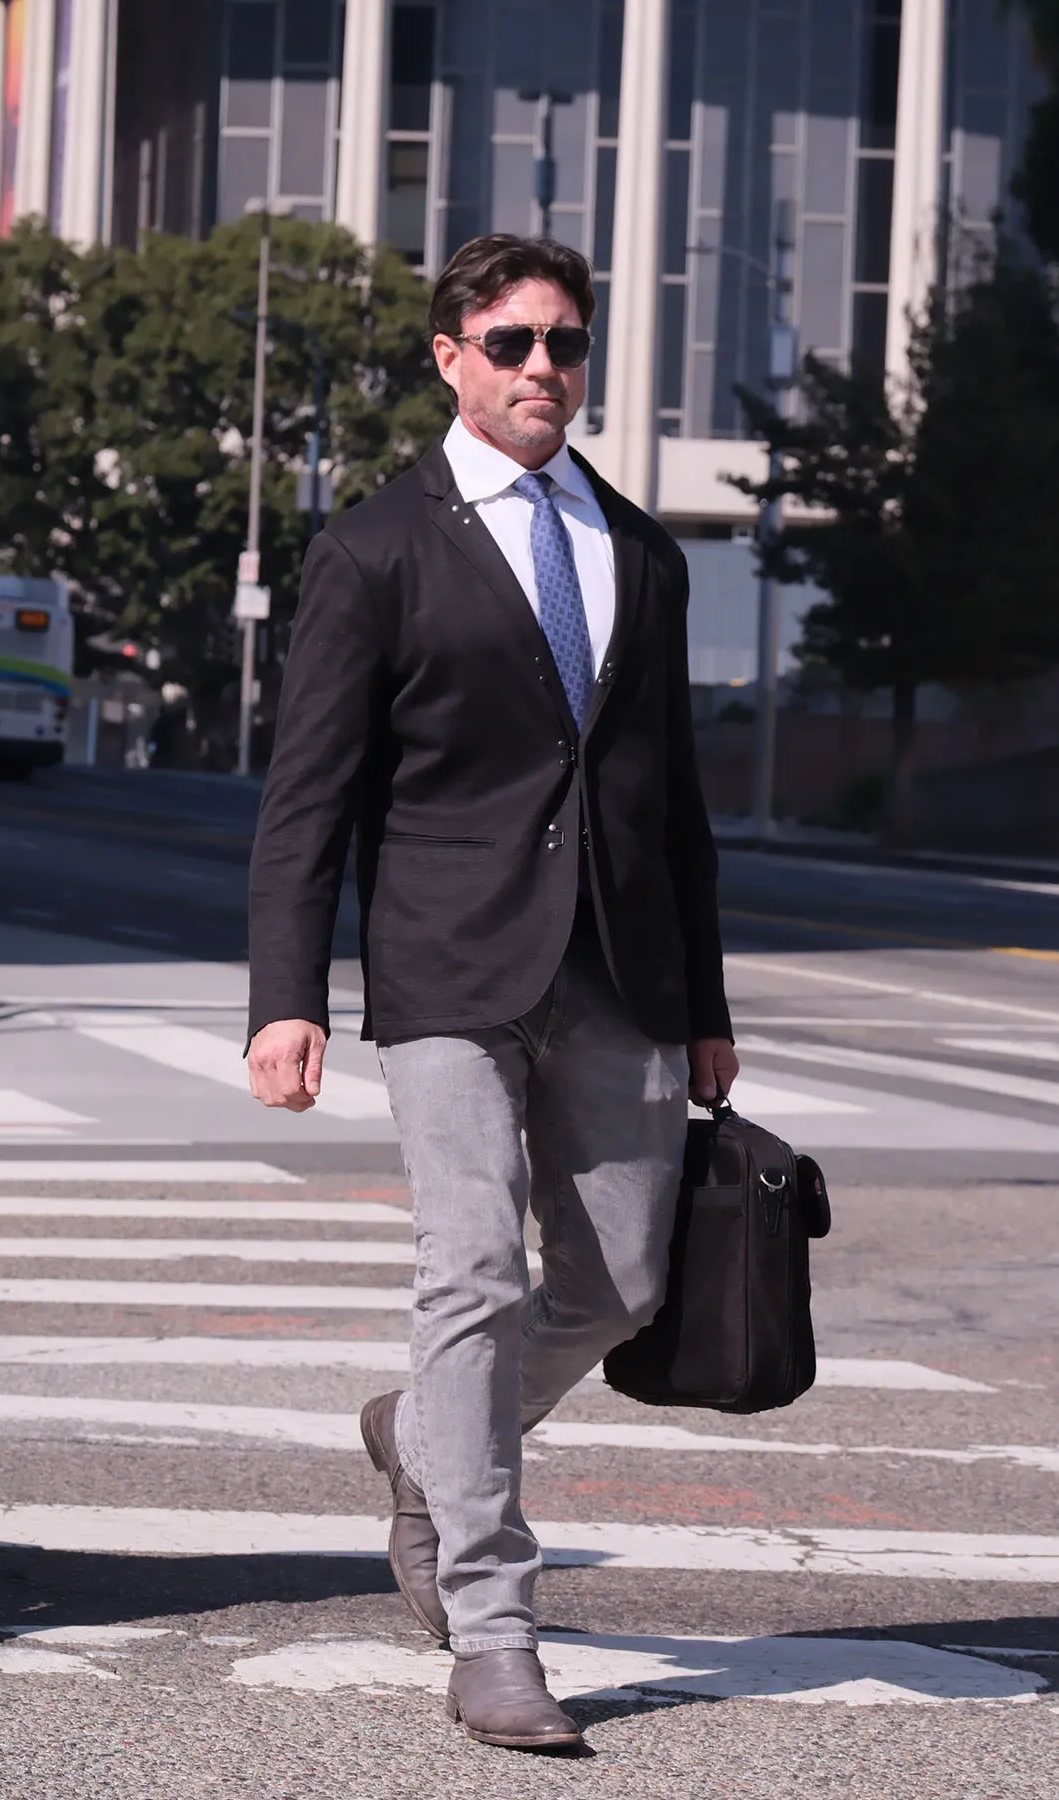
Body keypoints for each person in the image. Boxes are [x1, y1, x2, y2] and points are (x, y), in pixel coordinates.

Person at [245, 235, 737, 1751]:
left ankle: (424, 1436)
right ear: (450, 355)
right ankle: (494, 1621)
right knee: (468, 1270)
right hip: (448, 964)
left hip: (621, 966)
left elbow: (675, 797)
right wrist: (288, 990)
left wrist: (706, 1000)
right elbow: (307, 793)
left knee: (622, 1286)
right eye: (514, 341)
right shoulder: (377, 546)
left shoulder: (642, 553)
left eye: (567, 344)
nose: (545, 368)